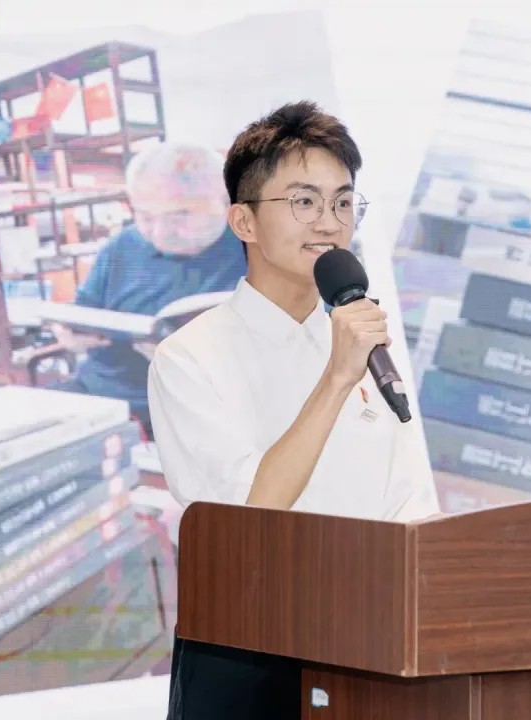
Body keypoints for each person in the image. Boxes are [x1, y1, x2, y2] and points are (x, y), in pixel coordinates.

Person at [146, 101, 441, 719]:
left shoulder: (366, 345)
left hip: (366, 646)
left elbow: (410, 507)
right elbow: (245, 517)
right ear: (243, 221)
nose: (329, 223)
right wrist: (336, 380)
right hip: (247, 654)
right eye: (304, 201)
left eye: (343, 202)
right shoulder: (188, 357)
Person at [51, 141, 246, 438]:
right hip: (101, 397)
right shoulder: (121, 247)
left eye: (181, 215)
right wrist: (70, 334)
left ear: (227, 202)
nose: (160, 233)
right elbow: (83, 311)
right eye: (145, 217)